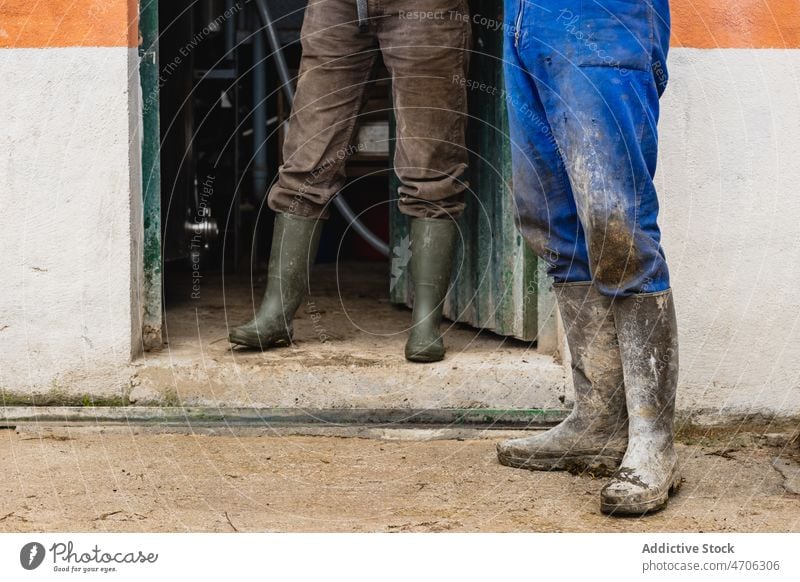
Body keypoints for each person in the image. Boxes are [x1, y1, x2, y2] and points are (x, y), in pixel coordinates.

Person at [496, 0, 679, 515]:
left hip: (604, 19)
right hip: (523, 21)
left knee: (616, 226)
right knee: (551, 222)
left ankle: (653, 440)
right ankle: (597, 421)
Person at [229, 0, 472, 363]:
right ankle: (276, 314)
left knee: (430, 164)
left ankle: (425, 326)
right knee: (306, 160)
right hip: (337, 7)